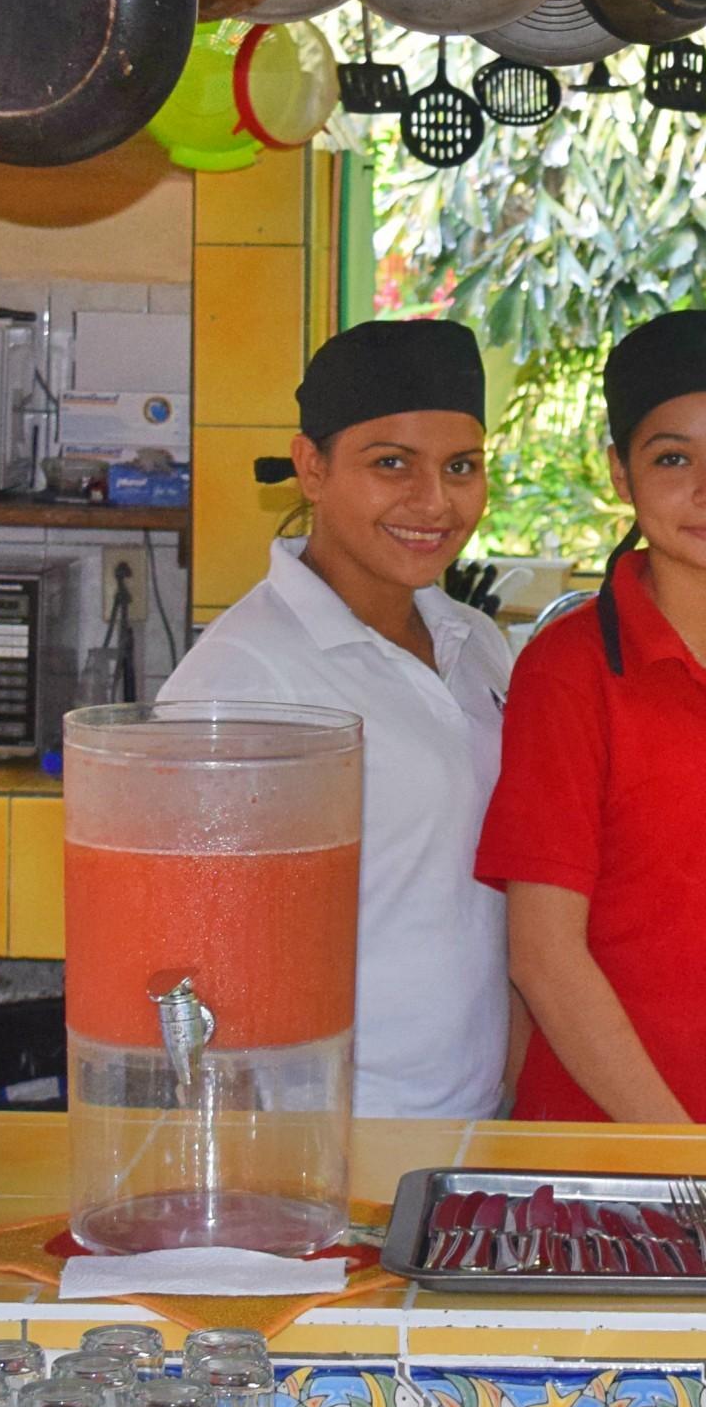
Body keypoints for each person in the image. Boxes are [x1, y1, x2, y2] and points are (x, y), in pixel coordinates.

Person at [473, 309, 706, 1124]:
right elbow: (543, 957)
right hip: (608, 1172)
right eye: (673, 457)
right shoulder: (571, 670)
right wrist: (687, 1157)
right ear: (621, 473)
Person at [157, 317, 512, 1120]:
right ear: (311, 467)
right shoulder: (242, 680)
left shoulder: (477, 643)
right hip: (328, 1137)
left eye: (462, 466)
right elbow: (194, 957)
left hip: (470, 1120)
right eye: (392, 463)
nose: (435, 501)